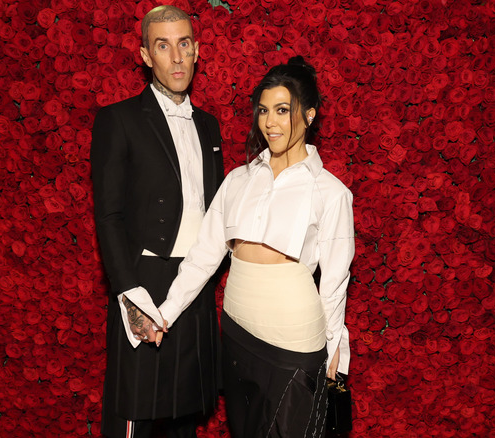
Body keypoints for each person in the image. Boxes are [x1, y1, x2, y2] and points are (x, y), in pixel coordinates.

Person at [156, 57, 355, 438]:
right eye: (264, 111)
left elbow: (334, 282)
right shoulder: (238, 180)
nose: (270, 122)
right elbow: (203, 257)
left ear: (309, 115)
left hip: (294, 341)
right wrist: (165, 312)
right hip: (236, 332)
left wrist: (334, 352)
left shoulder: (331, 193)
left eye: (283, 110)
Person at [90, 5, 226, 438]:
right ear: (146, 55)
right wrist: (130, 294)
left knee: (185, 417)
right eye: (163, 46)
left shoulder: (210, 126)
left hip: (197, 286)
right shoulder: (119, 119)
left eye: (184, 44)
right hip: (142, 284)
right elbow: (108, 215)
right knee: (135, 416)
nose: (177, 57)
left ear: (197, 49)